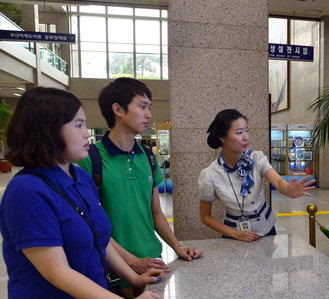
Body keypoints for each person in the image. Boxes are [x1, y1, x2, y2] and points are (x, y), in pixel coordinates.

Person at [0, 87, 165, 299]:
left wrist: (134, 278)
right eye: (77, 125)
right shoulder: (27, 191)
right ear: (47, 130)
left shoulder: (80, 176)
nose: (87, 132)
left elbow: (98, 240)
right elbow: (58, 273)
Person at [77, 78, 202, 277]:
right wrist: (132, 262)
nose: (148, 114)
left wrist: (178, 247)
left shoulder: (149, 157)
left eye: (149, 107)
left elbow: (156, 213)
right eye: (142, 107)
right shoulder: (90, 159)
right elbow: (91, 223)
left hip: (152, 259)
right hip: (113, 266)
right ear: (118, 110)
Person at [199, 109, 315, 242]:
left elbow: (277, 181)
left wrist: (288, 189)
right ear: (222, 137)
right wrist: (235, 234)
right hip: (233, 234)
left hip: (266, 227)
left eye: (247, 130)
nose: (246, 137)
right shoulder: (209, 175)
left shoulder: (257, 158)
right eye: (239, 132)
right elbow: (205, 217)